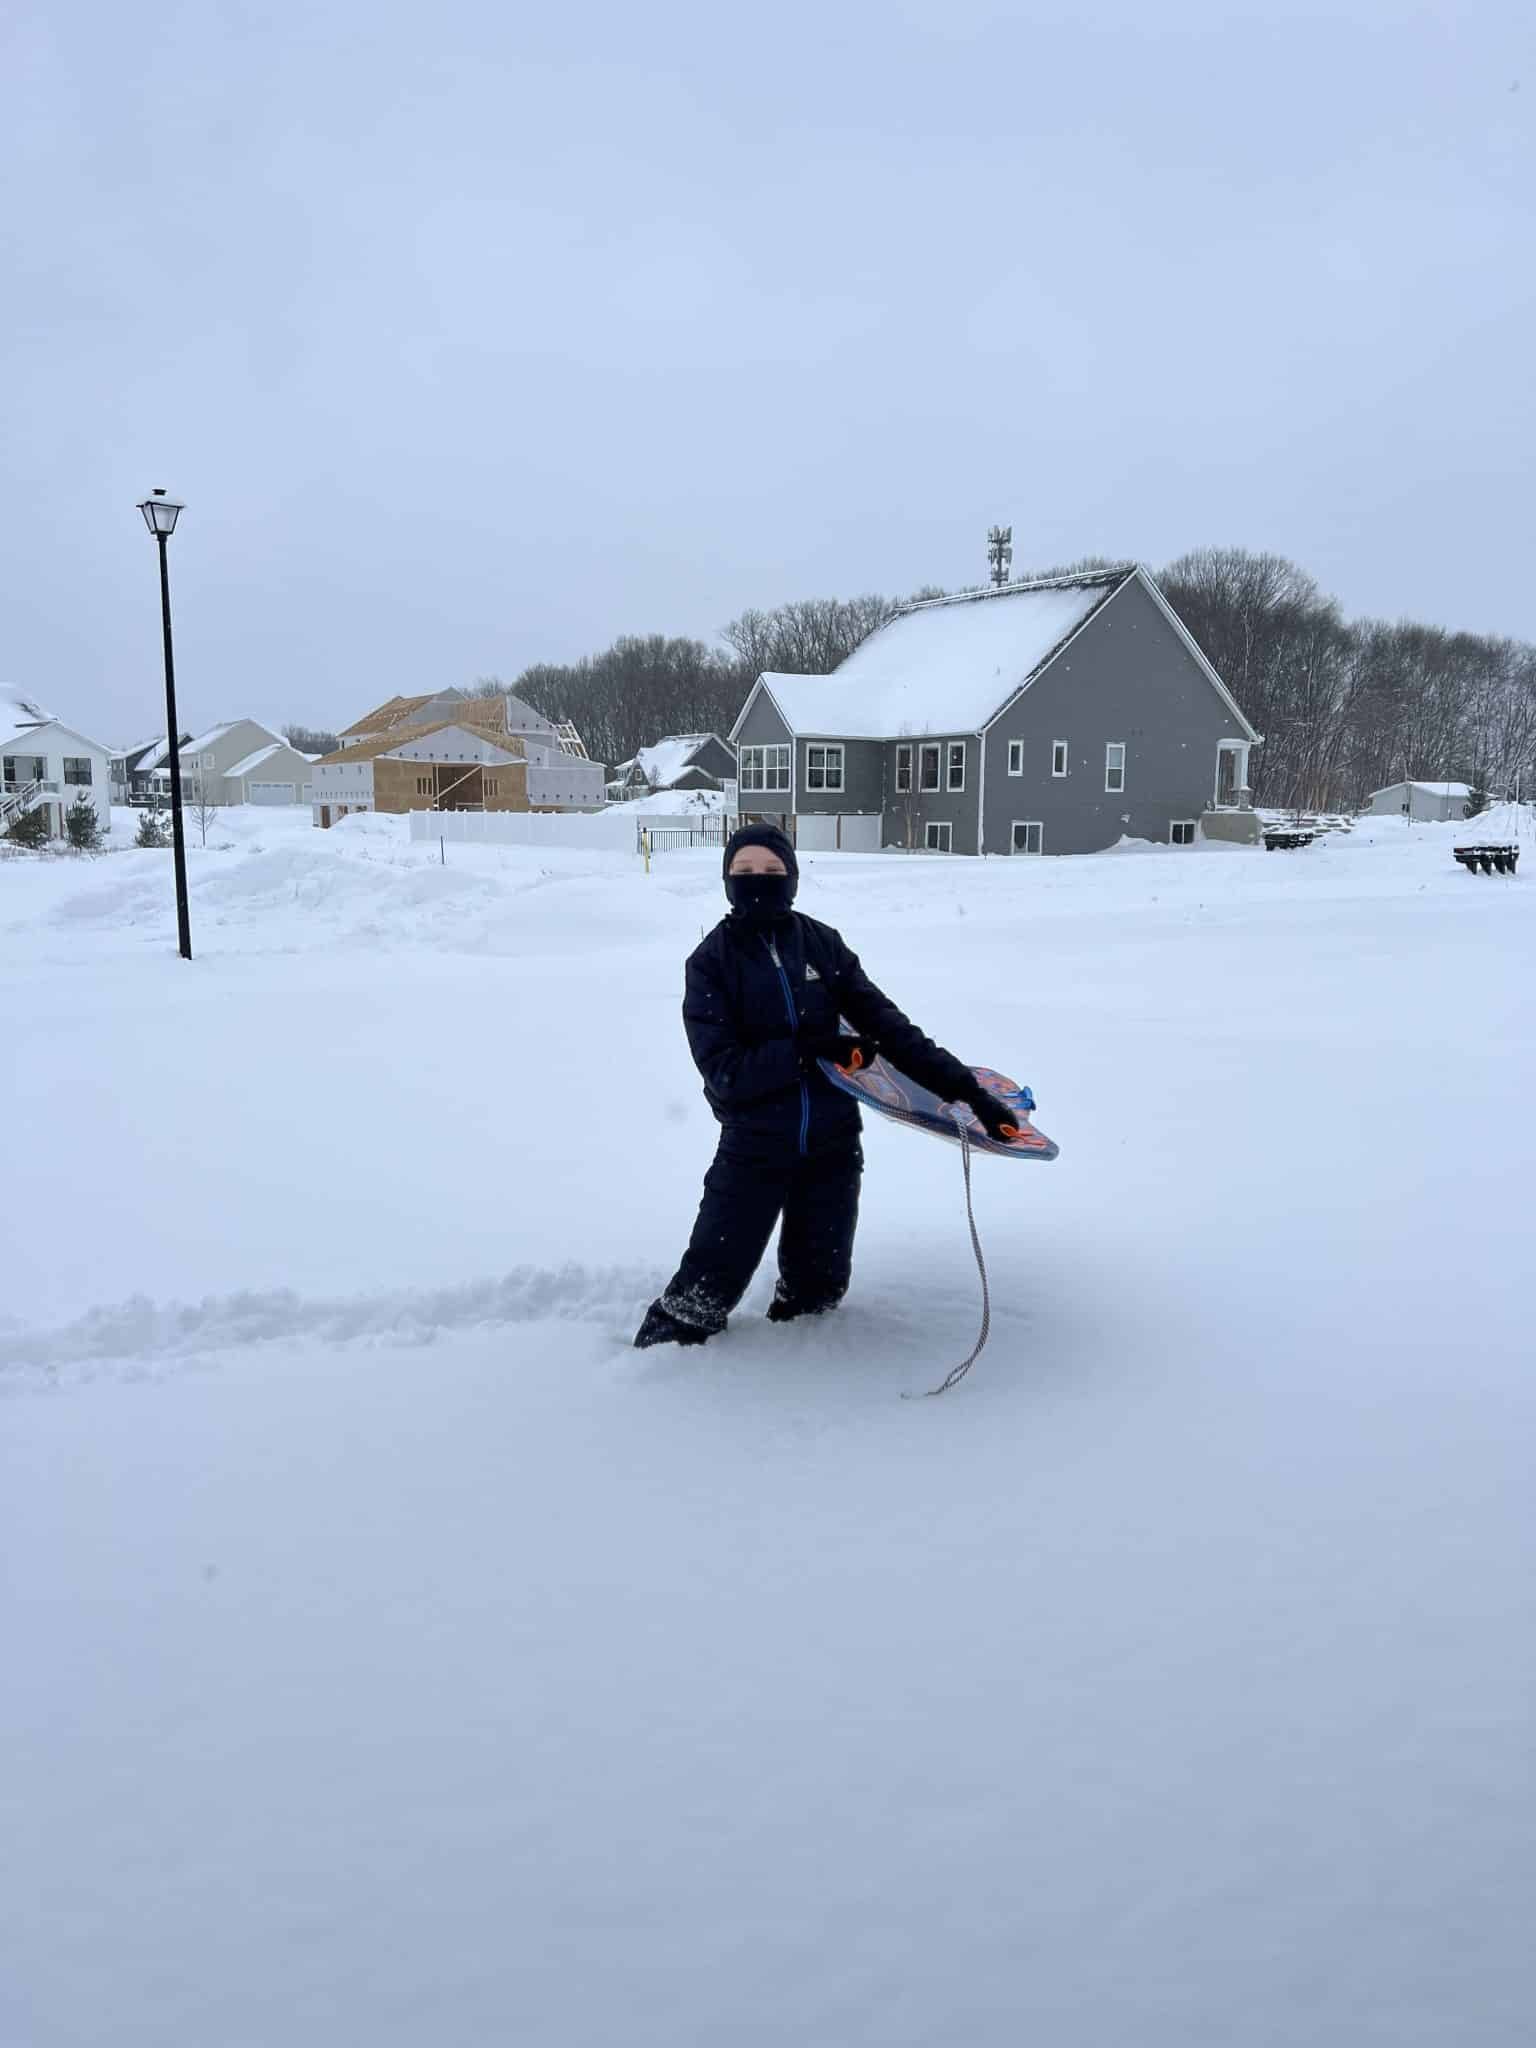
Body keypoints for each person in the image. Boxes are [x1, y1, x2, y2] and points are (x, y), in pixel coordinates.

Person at [633, 823, 1021, 1349]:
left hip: (832, 1148)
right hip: (753, 1147)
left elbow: (891, 1030)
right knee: (702, 1293)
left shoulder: (821, 944)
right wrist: (808, 1047)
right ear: (727, 879)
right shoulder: (711, 963)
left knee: (819, 1292)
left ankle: (812, 1380)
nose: (758, 881)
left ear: (791, 877)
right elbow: (726, 1073)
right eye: (745, 871)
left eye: (772, 871)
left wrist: (967, 1090)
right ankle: (651, 1383)